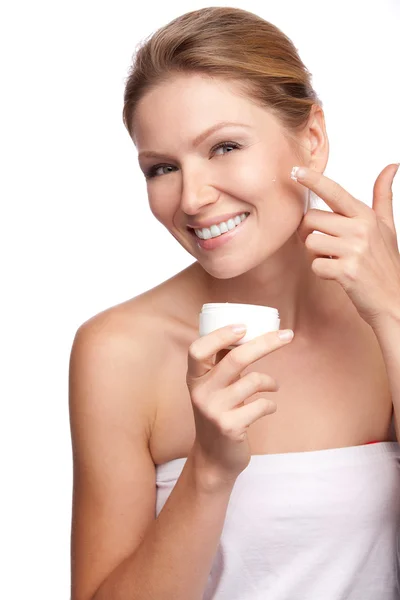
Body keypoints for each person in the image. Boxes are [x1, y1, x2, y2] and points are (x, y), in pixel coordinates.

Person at [68, 7, 400, 600]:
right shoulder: (118, 352)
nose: (192, 198)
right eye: (162, 167)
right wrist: (211, 470)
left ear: (313, 139)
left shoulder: (388, 310)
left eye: (223, 147)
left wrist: (393, 316)